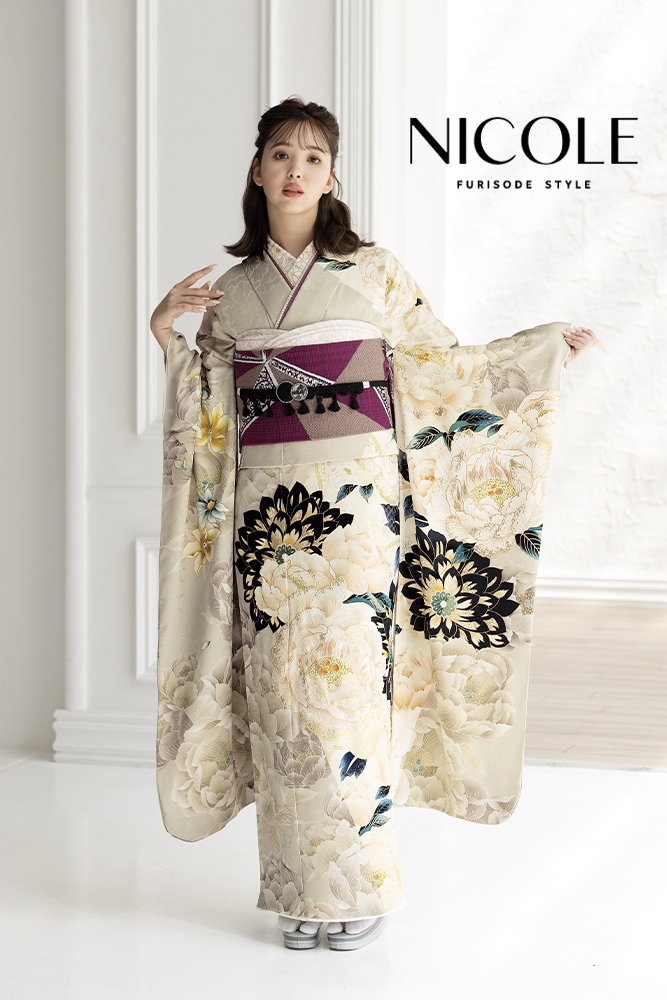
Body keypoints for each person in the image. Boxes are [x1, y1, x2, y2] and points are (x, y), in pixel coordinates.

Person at [150, 96, 600, 952]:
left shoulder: (375, 272)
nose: (295, 170)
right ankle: (298, 889)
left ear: (332, 178)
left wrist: (539, 357)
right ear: (256, 170)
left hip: (358, 515)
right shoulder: (233, 293)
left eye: (312, 158)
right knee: (283, 697)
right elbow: (208, 405)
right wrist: (166, 329)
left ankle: (356, 888)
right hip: (268, 521)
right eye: (280, 154)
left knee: (349, 691)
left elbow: (441, 370)